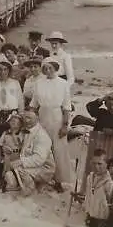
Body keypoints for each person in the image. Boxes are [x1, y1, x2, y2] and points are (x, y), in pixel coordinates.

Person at [30, 60, 74, 193]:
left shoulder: (63, 83)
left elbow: (67, 106)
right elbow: (33, 103)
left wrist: (65, 125)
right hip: (42, 117)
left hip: (57, 118)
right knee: (42, 148)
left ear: (56, 68)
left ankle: (59, 180)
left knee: (58, 149)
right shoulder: (38, 83)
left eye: (50, 68)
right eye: (45, 68)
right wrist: (28, 118)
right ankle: (43, 178)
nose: (47, 70)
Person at [81, 92, 113, 193]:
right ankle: (90, 191)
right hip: (99, 145)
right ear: (106, 105)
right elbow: (90, 108)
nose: (112, 107)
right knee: (95, 168)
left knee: (112, 169)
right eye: (109, 105)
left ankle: (111, 192)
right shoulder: (102, 113)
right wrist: (102, 99)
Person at [2, 111, 56, 196]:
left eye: (29, 118)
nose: (26, 120)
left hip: (44, 168)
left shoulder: (41, 136)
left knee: (17, 173)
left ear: (37, 118)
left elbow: (39, 159)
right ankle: (25, 183)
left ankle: (34, 185)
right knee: (9, 175)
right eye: (25, 117)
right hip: (30, 164)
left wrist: (20, 162)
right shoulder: (26, 130)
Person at [72, 149, 113, 227]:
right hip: (89, 217)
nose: (96, 167)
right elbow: (89, 197)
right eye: (94, 163)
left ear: (106, 164)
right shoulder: (90, 177)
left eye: (99, 164)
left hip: (102, 222)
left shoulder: (110, 182)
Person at [0, 61, 24, 126]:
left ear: (9, 71)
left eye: (5, 69)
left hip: (13, 115)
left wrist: (21, 114)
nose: (3, 72)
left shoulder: (15, 83)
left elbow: (20, 99)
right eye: (0, 69)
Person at [0, 113, 24, 192]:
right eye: (12, 121)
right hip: (8, 156)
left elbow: (19, 144)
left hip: (18, 155)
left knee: (17, 170)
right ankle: (3, 183)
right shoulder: (5, 133)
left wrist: (14, 134)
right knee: (6, 169)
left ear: (20, 124)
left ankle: (17, 183)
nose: (13, 123)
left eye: (16, 122)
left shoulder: (21, 134)